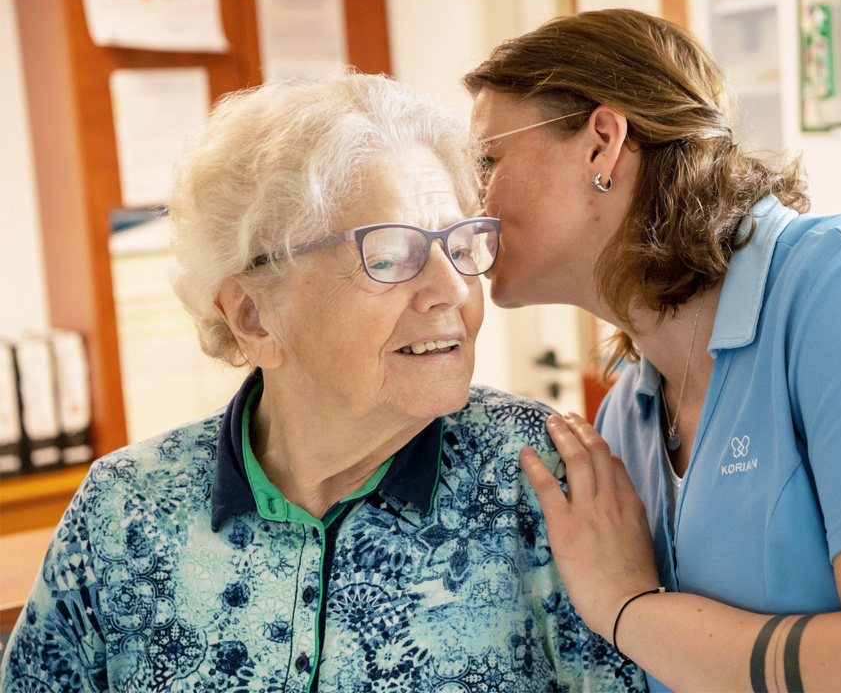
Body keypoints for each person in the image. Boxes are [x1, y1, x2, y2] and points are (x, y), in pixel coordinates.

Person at [0, 73, 645, 692]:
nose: (454, 290)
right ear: (253, 316)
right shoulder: (123, 510)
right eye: (390, 256)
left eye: (458, 245)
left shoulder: (540, 474)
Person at [465, 8, 841, 692]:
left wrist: (630, 610)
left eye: (487, 161)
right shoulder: (625, 424)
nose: (471, 201)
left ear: (602, 143)